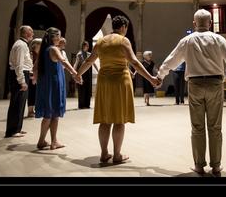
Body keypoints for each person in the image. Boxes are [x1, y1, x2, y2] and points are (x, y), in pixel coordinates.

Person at [155, 9, 226, 176]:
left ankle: (199, 165)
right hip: (215, 84)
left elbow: (171, 60)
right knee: (215, 127)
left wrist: (159, 76)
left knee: (197, 127)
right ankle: (216, 166)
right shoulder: (219, 39)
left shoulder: (186, 41)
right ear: (210, 23)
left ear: (194, 24)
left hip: (195, 85)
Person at [75, 15, 158, 164]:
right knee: (119, 120)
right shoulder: (123, 40)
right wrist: (151, 78)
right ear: (123, 27)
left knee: (105, 119)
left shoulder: (101, 41)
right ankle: (117, 155)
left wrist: (78, 74)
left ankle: (104, 153)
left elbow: (89, 61)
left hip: (104, 82)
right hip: (120, 81)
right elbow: (135, 63)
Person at [34, 27, 77, 150]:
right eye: (59, 36)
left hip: (46, 83)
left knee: (48, 113)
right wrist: (75, 74)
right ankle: (53, 141)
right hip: (55, 83)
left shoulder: (43, 50)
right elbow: (63, 61)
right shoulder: (53, 49)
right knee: (54, 113)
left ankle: (43, 141)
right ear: (53, 37)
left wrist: (36, 79)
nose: (60, 38)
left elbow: (34, 68)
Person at [5, 25, 34, 138]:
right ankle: (12, 130)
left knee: (21, 103)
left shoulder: (22, 44)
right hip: (19, 75)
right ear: (26, 33)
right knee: (16, 103)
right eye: (31, 32)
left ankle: (17, 128)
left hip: (23, 74)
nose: (33, 34)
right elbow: (18, 65)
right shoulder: (21, 45)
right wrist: (22, 81)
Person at [73, 41, 99, 109]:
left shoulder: (89, 54)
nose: (86, 47)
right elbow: (76, 63)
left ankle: (87, 104)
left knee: (88, 88)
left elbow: (93, 63)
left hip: (88, 73)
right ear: (82, 46)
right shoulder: (79, 54)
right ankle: (81, 105)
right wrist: (73, 72)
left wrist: (98, 70)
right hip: (82, 72)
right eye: (85, 45)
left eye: (87, 46)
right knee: (81, 88)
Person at [27, 38, 42, 118]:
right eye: (40, 45)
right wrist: (33, 76)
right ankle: (30, 111)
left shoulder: (40, 55)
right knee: (31, 93)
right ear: (35, 46)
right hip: (32, 77)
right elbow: (30, 66)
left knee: (37, 93)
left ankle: (35, 109)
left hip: (38, 77)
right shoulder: (31, 54)